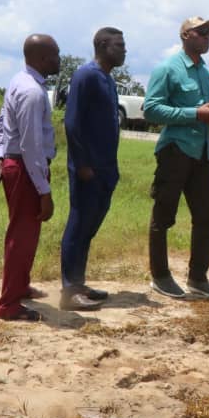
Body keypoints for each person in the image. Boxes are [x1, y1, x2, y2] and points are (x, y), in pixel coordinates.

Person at [143, 16, 209, 298]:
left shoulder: (205, 72)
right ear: (185, 35)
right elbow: (151, 110)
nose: (208, 37)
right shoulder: (167, 68)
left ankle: (198, 278)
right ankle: (160, 276)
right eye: (202, 32)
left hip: (203, 153)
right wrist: (194, 114)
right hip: (176, 151)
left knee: (206, 217)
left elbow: (205, 110)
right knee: (163, 216)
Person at [0, 34, 60, 321]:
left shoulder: (19, 81)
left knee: (25, 234)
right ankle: (9, 305)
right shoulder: (32, 92)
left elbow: (0, 124)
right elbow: (31, 146)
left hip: (16, 164)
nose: (59, 60)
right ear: (43, 58)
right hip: (25, 169)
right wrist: (44, 191)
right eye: (56, 54)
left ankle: (19, 287)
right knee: (22, 236)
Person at [59, 27, 127, 311]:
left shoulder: (109, 80)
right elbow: (72, 123)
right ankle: (69, 290)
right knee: (78, 226)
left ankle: (79, 282)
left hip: (106, 169)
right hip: (88, 170)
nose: (124, 50)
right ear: (101, 45)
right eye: (119, 45)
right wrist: (82, 164)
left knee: (89, 228)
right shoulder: (85, 75)